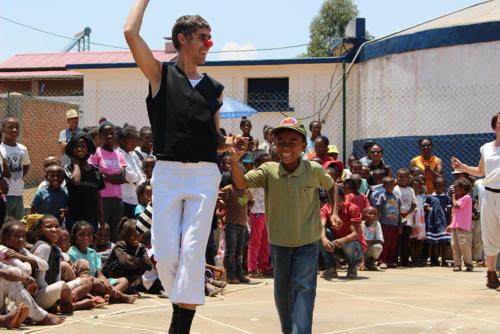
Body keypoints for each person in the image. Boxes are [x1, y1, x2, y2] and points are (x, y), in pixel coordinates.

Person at [125, 2, 236, 331]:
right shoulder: (161, 74)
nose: (208, 44)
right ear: (182, 39)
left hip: (204, 175)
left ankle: (180, 324)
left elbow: (215, 138)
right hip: (169, 173)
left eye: (210, 38)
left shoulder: (213, 88)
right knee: (169, 257)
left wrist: (230, 145)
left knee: (191, 252)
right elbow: (130, 33)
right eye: (203, 37)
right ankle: (182, 301)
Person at [230, 117, 335, 334]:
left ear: (304, 145)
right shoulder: (269, 170)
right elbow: (241, 183)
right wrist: (234, 162)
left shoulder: (313, 170)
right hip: (279, 243)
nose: (286, 146)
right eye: (281, 141)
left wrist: (334, 212)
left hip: (307, 242)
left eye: (292, 141)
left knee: (304, 289)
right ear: (274, 144)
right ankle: (288, 329)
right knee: (283, 292)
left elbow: (332, 186)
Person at [451, 113, 500, 289]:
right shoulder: (486, 148)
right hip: (489, 195)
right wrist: (462, 166)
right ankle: (491, 274)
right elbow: (480, 171)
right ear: (494, 127)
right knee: (490, 236)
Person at [30, 215, 95, 312]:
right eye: (49, 227)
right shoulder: (43, 247)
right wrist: (58, 293)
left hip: (53, 291)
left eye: (57, 226)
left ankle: (63, 304)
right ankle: (73, 305)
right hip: (38, 295)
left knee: (87, 280)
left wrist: (59, 293)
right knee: (63, 287)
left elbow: (57, 278)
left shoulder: (56, 249)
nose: (54, 229)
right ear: (39, 230)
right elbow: (39, 281)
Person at [68, 221, 138, 303]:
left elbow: (99, 274)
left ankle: (107, 295)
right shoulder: (72, 252)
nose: (86, 238)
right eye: (81, 235)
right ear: (75, 237)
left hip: (98, 283)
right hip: (84, 284)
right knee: (93, 281)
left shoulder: (92, 252)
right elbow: (76, 276)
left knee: (124, 281)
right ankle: (119, 295)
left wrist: (106, 283)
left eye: (89, 235)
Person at [88, 122, 127, 241]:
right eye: (105, 134)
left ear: (116, 135)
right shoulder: (96, 153)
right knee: (101, 230)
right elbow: (94, 174)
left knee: (115, 233)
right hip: (102, 199)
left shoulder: (120, 155)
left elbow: (122, 179)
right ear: (100, 137)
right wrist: (112, 177)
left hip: (117, 199)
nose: (109, 136)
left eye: (112, 133)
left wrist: (104, 176)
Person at [320, 185, 366, 279]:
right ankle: (331, 269)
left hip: (353, 247)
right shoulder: (325, 209)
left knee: (350, 244)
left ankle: (352, 268)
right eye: (332, 202)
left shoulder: (353, 208)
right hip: (336, 247)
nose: (336, 205)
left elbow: (355, 234)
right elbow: (321, 226)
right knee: (321, 235)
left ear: (344, 199)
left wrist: (342, 240)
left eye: (339, 201)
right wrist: (324, 239)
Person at [64, 132, 105, 233]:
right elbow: (76, 181)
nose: (79, 149)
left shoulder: (96, 171)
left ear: (88, 148)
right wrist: (76, 164)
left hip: (92, 219)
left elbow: (98, 195)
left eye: (83, 146)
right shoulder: (69, 168)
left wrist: (101, 216)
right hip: (73, 219)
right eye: (76, 147)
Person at [219, 168, 254, 284]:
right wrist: (221, 208)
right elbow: (218, 197)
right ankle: (230, 274)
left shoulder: (246, 191)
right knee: (230, 251)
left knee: (239, 252)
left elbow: (251, 201)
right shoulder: (229, 190)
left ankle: (239, 273)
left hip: (242, 225)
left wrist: (248, 209)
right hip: (231, 224)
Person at [102, 219, 152, 294]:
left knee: (142, 267)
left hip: (128, 269)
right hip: (109, 274)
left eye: (139, 235)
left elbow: (149, 266)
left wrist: (135, 260)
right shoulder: (121, 244)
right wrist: (138, 262)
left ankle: (126, 286)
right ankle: (117, 285)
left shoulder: (141, 247)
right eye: (134, 235)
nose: (137, 238)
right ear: (125, 235)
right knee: (118, 264)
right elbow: (123, 262)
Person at [247, 150, 272, 278]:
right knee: (255, 242)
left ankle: (265, 267)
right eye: (266, 162)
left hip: (267, 212)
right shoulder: (253, 175)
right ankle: (252, 268)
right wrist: (246, 208)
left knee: (266, 242)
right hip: (256, 212)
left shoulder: (268, 176)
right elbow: (246, 194)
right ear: (258, 163)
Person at [1, 117, 30, 220]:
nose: (14, 130)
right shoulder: (1, 148)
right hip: (4, 194)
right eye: (10, 127)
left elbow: (26, 165)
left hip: (18, 193)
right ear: (3, 129)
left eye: (17, 127)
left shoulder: (22, 149)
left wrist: (20, 176)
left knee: (18, 223)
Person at [445, 178, 473, 272]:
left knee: (464, 245)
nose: (455, 191)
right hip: (455, 226)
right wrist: (451, 224)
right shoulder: (460, 198)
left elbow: (456, 205)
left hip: (463, 227)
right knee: (454, 245)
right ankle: (457, 264)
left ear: (463, 189)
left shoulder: (467, 198)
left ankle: (469, 263)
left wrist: (453, 199)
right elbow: (454, 214)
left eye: (457, 189)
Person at [117, 126, 144, 218]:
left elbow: (140, 176)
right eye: (132, 140)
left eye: (136, 140)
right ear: (122, 141)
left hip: (134, 199)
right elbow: (131, 177)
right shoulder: (119, 155)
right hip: (125, 200)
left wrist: (137, 181)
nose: (135, 143)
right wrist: (136, 180)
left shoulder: (131, 155)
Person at [425, 176, 452, 267]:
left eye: (442, 185)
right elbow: (426, 207)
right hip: (433, 222)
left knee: (444, 242)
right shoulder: (430, 197)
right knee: (435, 242)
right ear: (434, 186)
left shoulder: (447, 198)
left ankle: (444, 260)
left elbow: (449, 210)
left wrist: (450, 222)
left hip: (444, 223)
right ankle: (435, 259)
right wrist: (432, 210)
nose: (440, 187)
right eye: (438, 185)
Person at [376, 176, 401, 269]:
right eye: (387, 185)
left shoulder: (397, 197)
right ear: (384, 186)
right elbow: (378, 209)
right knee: (384, 243)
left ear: (394, 185)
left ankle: (390, 261)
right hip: (384, 224)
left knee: (392, 244)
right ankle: (382, 260)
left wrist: (400, 225)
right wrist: (377, 222)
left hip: (394, 225)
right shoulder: (382, 196)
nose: (390, 187)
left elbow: (398, 212)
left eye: (391, 185)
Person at [393, 168, 416, 267]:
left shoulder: (410, 190)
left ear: (409, 178)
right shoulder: (395, 189)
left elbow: (414, 204)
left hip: (408, 220)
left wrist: (408, 212)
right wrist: (400, 211)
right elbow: (393, 202)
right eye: (400, 177)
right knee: (396, 241)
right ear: (397, 178)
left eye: (405, 177)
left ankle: (405, 260)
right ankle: (394, 260)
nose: (402, 179)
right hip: (396, 220)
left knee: (405, 241)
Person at [408, 177, 426, 266]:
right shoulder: (409, 196)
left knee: (419, 240)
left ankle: (416, 258)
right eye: (414, 186)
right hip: (412, 220)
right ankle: (411, 257)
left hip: (420, 221)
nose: (416, 189)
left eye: (418, 187)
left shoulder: (421, 198)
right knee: (411, 240)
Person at [361, 206, 384, 271]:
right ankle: (360, 262)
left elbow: (381, 241)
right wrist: (371, 241)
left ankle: (370, 262)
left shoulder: (377, 224)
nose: (373, 215)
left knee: (378, 247)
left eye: (374, 214)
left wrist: (366, 240)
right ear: (364, 214)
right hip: (361, 250)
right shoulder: (360, 224)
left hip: (369, 249)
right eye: (370, 213)